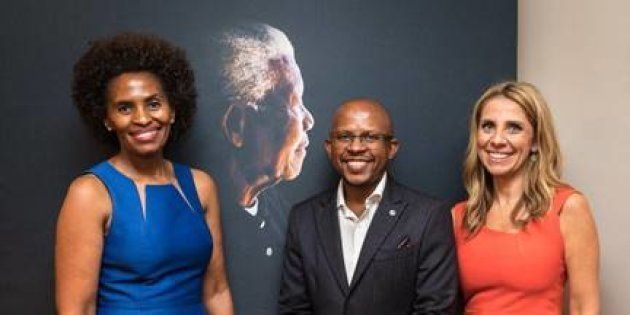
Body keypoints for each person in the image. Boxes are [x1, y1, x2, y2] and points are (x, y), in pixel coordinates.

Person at [55, 33, 233, 314]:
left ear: (172, 110)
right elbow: (77, 309)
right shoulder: (89, 193)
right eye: (125, 108)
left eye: (153, 103)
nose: (142, 118)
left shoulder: (201, 185)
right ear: (107, 120)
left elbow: (216, 290)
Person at [279, 98, 458, 314]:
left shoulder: (428, 216)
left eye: (370, 137)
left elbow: (435, 309)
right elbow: (293, 309)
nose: (355, 147)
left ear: (391, 148)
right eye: (345, 137)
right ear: (329, 147)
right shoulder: (303, 218)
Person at [452, 81, 600, 314]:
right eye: (488, 126)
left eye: (514, 128)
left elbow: (584, 307)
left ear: (535, 142)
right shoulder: (459, 216)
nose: (497, 140)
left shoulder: (567, 206)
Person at [210, 23, 314, 314]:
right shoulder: (196, 223)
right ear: (237, 125)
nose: (309, 121)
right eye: (295, 102)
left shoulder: (285, 214)